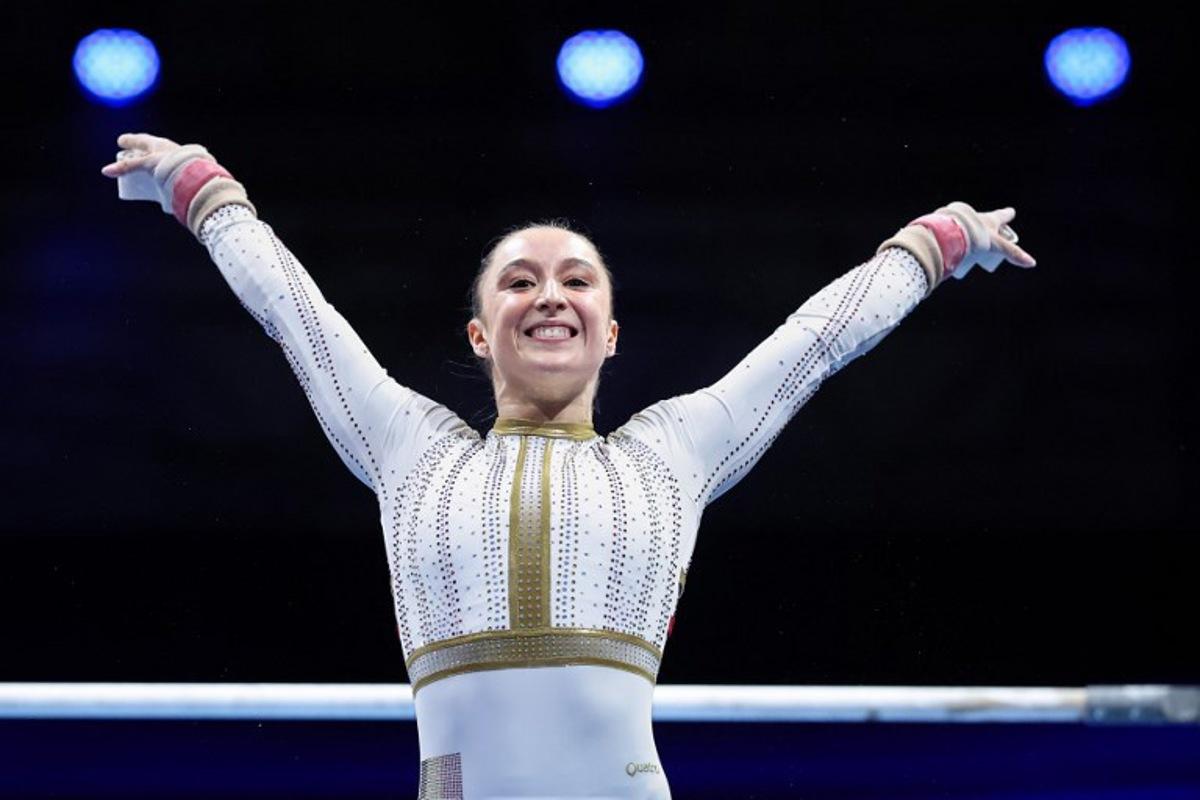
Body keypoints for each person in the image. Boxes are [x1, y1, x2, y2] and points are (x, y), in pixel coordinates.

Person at [101, 132, 1036, 799]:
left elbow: (814, 344)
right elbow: (296, 318)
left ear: (612, 334)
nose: (549, 294)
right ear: (480, 331)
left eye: (576, 279)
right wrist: (199, 187)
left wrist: (939, 243)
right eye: (519, 280)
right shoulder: (410, 448)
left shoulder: (674, 453)